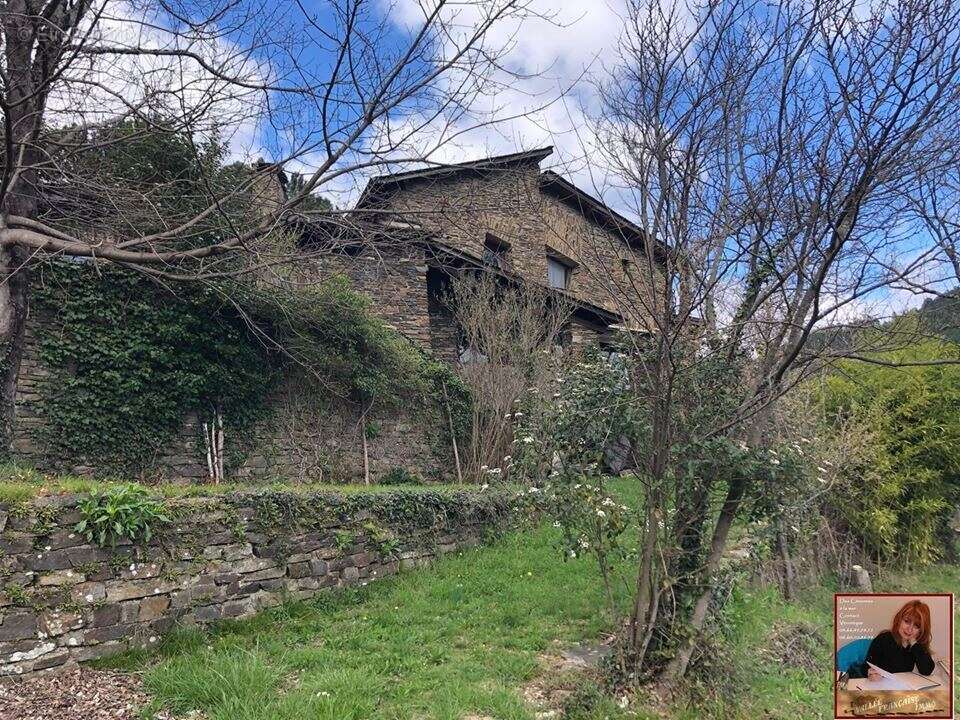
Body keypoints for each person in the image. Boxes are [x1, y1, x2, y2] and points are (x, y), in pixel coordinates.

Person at [865, 599, 936, 678]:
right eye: (906, 621)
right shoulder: (883, 639)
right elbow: (865, 666)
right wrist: (869, 673)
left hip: (902, 687)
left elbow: (927, 671)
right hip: (881, 685)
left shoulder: (916, 645)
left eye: (916, 626)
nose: (909, 629)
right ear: (899, 619)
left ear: (921, 630)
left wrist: (914, 643)